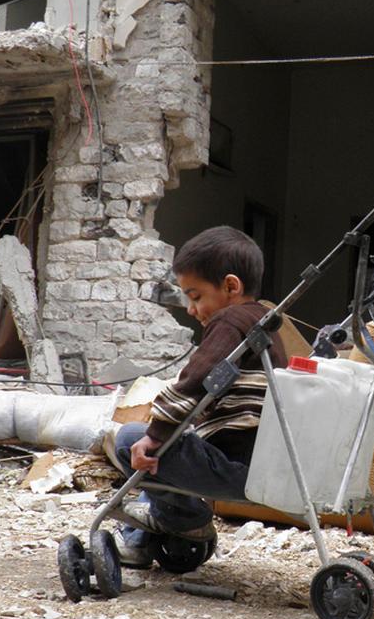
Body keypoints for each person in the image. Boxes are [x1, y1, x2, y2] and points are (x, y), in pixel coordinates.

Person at [111, 225, 286, 568]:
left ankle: (187, 523)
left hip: (236, 470)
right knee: (171, 445)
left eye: (195, 296)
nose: (191, 309)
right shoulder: (264, 324)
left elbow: (195, 381)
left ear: (231, 287)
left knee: (131, 439)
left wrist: (155, 433)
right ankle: (142, 540)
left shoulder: (231, 322)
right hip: (262, 467)